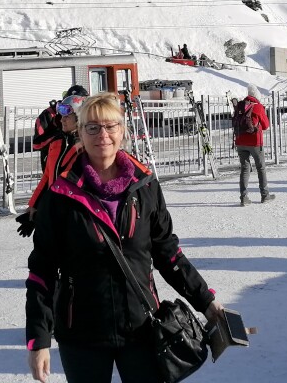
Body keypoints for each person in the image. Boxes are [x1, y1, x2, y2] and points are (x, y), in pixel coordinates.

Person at [25, 92, 224, 383]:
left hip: (141, 327)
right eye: (92, 127)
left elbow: (168, 254)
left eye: (110, 126)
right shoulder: (61, 195)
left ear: (122, 131)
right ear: (79, 133)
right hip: (81, 332)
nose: (102, 135)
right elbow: (41, 272)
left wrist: (206, 300)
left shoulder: (144, 187)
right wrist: (38, 339)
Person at [18, 94, 86, 238]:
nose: (62, 120)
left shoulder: (86, 146)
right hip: (53, 210)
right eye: (61, 115)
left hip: (76, 215)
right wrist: (33, 207)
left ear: (79, 117)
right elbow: (48, 177)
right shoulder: (57, 142)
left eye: (67, 116)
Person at [234, 84, 274, 206]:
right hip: (255, 142)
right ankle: (264, 195)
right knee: (261, 168)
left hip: (240, 141)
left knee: (245, 169)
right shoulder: (258, 107)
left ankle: (244, 197)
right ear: (257, 96)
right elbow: (266, 125)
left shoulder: (240, 106)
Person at [32, 85, 88, 167]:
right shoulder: (48, 114)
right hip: (52, 162)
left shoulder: (86, 116)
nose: (63, 119)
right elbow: (37, 144)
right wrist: (61, 135)